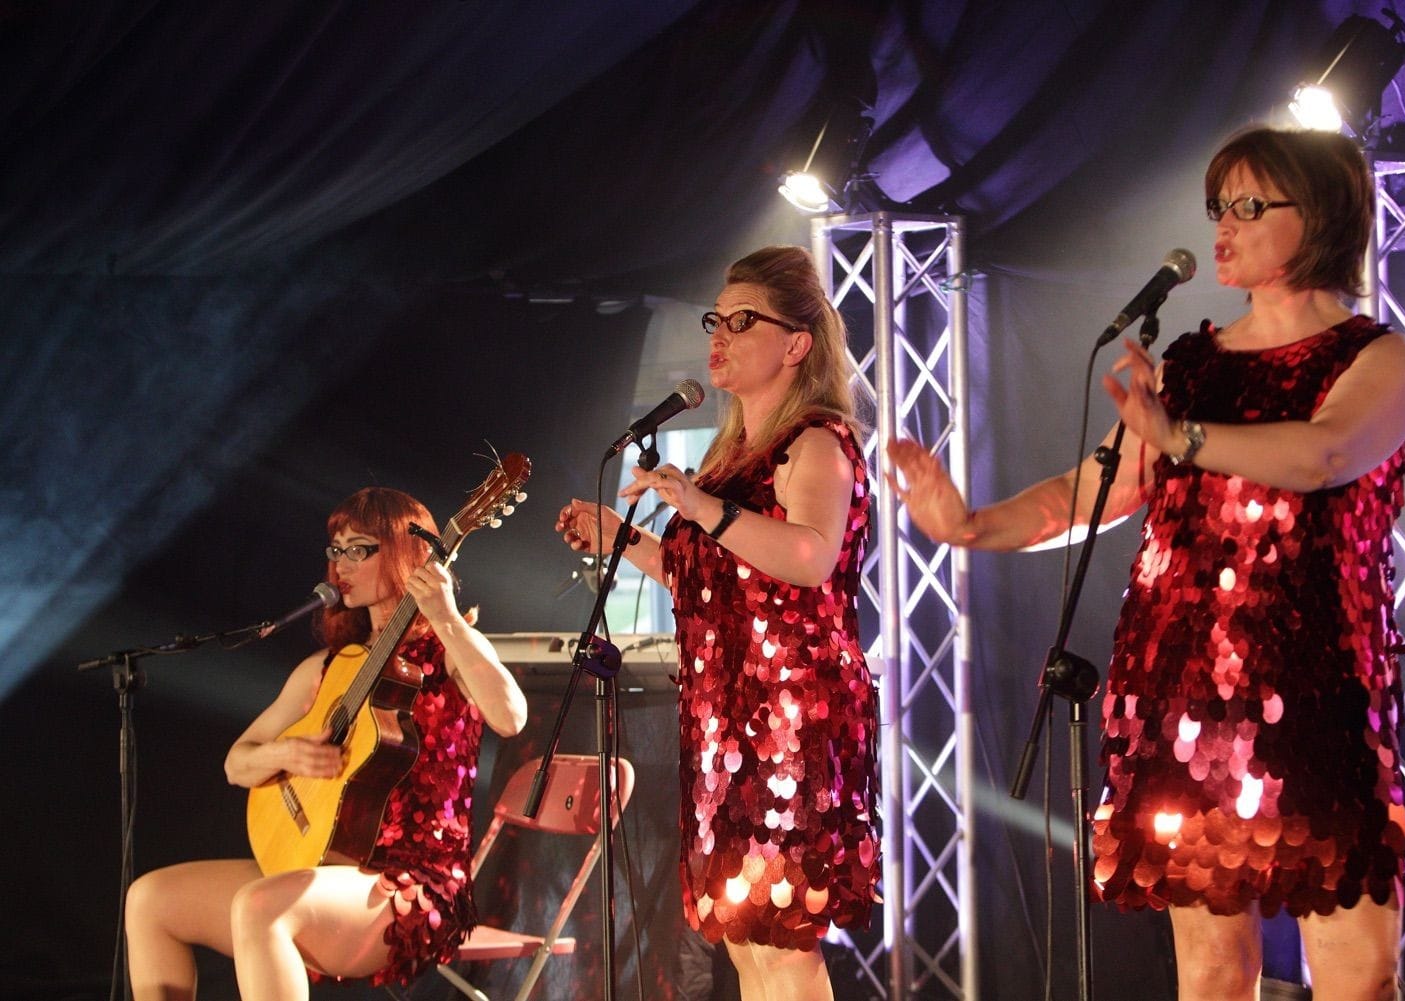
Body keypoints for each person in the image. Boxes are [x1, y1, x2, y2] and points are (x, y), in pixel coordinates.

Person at [886, 127, 1405, 1001]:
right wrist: (970, 524)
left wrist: (1183, 437)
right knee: (1212, 971)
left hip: (1318, 691)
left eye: (1250, 205)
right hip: (1182, 696)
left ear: (1318, 216)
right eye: (1219, 206)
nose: (1224, 225)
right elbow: (1090, 490)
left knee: (1360, 974)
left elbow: (1323, 454)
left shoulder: (1374, 356)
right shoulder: (1189, 364)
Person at [556, 245, 880, 1001]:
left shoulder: (818, 443)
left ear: (797, 343)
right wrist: (623, 537)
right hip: (725, 718)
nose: (720, 334)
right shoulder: (729, 457)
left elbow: (808, 556)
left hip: (793, 716)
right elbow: (706, 580)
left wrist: (700, 507)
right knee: (743, 937)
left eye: (743, 320)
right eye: (716, 318)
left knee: (786, 939)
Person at [125, 487, 528, 1000]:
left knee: (260, 906)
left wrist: (446, 618)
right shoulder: (327, 668)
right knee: (150, 899)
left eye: (358, 549)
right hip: (318, 864)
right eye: (335, 550)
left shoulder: (448, 650)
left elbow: (511, 717)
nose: (340, 565)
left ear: (409, 552)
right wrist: (285, 754)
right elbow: (237, 764)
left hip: (410, 887)